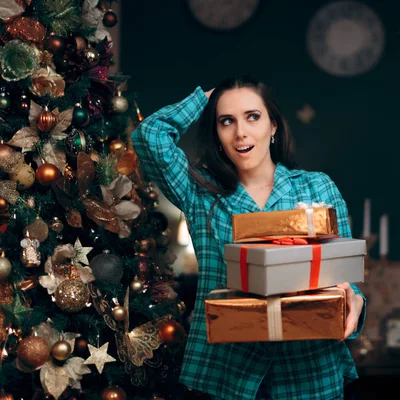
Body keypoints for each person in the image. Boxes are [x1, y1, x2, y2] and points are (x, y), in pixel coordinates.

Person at [131, 75, 366, 400]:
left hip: (309, 372)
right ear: (217, 133)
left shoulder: (317, 187)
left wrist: (352, 300)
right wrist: (209, 97)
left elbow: (343, 277)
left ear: (273, 126)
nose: (240, 132)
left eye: (252, 116)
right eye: (227, 121)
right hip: (229, 374)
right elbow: (148, 137)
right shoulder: (199, 191)